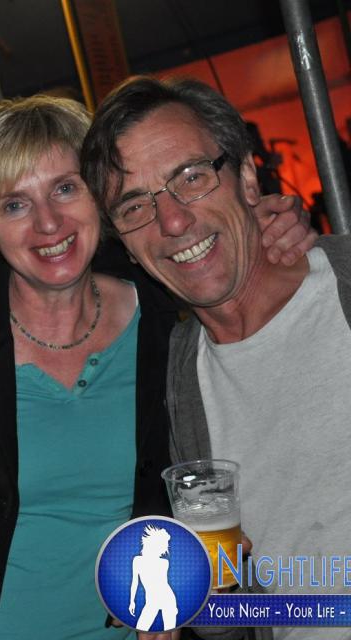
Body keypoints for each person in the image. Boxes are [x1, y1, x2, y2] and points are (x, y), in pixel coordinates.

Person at [0, 95, 312, 640]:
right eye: (15, 204)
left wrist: (271, 230)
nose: (48, 222)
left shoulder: (168, 314)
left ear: (100, 198)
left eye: (65, 188)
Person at [81, 75, 341, 640]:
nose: (172, 221)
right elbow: (246, 616)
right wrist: (197, 600)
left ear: (246, 178)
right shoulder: (177, 386)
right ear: (126, 246)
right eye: (135, 206)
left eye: (191, 178)